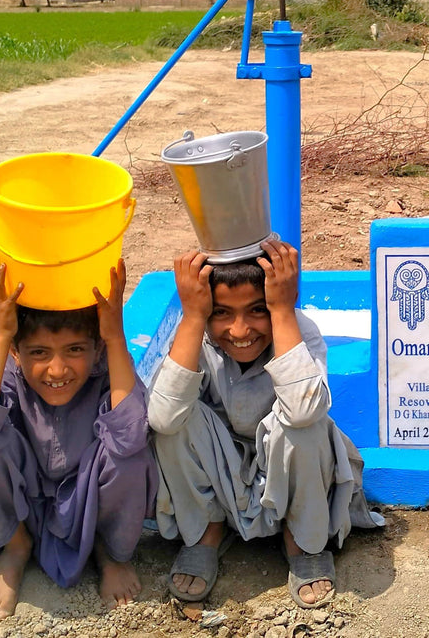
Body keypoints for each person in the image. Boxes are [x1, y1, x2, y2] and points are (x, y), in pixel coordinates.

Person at [148, 238, 382, 608]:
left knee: (304, 422)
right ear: (204, 307)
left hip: (289, 467)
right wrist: (193, 318)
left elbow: (304, 412)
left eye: (257, 310)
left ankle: (303, 538)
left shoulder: (298, 329)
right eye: (222, 312)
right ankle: (207, 530)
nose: (240, 331)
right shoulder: (194, 335)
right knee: (173, 420)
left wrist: (282, 311)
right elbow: (162, 418)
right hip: (222, 469)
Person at [0, 258, 157, 618]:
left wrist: (114, 337)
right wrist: (1, 337)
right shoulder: (11, 373)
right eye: (39, 353)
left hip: (86, 503)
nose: (57, 370)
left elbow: (132, 436)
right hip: (21, 504)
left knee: (130, 454)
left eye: (75, 350)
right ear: (16, 353)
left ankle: (107, 551)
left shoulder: (107, 369)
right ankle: (15, 545)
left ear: (95, 351)